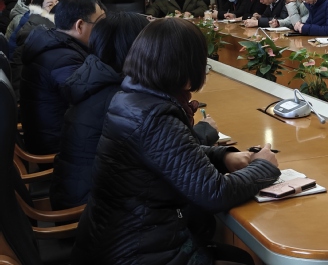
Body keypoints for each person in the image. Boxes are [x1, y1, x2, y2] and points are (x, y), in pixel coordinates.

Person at [72, 18, 280, 264]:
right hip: (137, 252)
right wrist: (263, 166)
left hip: (119, 241)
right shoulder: (155, 116)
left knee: (237, 256)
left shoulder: (131, 97)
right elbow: (214, 193)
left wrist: (224, 157)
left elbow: (172, 153)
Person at [50, 12, 150, 209]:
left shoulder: (93, 77)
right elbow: (163, 156)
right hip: (94, 210)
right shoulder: (120, 98)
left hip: (78, 194)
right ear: (137, 48)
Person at [20, 0, 105, 155]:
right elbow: (90, 103)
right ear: (80, 25)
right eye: (100, 23)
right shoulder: (64, 58)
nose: (104, 29)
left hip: (49, 136)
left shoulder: (54, 43)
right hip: (58, 148)